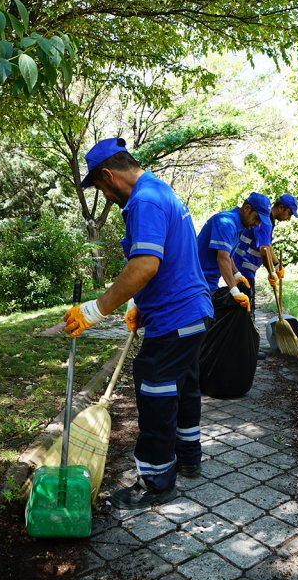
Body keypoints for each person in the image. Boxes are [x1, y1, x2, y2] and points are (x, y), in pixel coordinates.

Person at [62, 138, 214, 510]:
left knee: (155, 391)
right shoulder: (159, 191)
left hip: (177, 317)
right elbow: (170, 260)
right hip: (194, 313)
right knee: (185, 386)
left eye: (99, 186)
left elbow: (145, 265)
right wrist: (138, 304)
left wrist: (95, 310)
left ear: (108, 175)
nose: (104, 195)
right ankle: (189, 457)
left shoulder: (143, 200)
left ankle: (158, 482)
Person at [232, 194, 298, 357]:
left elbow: (267, 247)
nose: (289, 219)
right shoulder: (265, 222)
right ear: (281, 208)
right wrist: (272, 273)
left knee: (242, 309)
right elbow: (263, 250)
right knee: (247, 310)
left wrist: (276, 265)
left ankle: (242, 347)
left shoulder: (267, 220)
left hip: (242, 268)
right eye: (289, 213)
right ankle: (247, 350)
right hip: (243, 271)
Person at [195, 193, 273, 312]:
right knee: (203, 325)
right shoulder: (225, 223)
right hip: (196, 282)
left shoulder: (240, 226)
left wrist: (237, 274)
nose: (257, 224)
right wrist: (234, 291)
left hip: (210, 283)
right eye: (257, 218)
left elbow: (228, 255)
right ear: (247, 208)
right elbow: (222, 258)